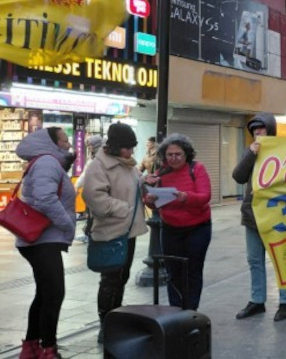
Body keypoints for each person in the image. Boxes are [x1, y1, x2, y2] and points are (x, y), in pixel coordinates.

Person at [82, 123, 148, 343]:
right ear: (116, 146)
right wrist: (124, 209)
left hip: (127, 232)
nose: (130, 152)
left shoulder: (127, 165)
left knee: (121, 277)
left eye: (132, 147)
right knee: (110, 280)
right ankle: (106, 325)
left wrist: (145, 181)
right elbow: (94, 197)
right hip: (111, 231)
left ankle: (115, 320)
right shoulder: (99, 166)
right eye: (127, 147)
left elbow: (131, 185)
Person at [14, 127, 77, 359]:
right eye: (64, 140)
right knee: (54, 293)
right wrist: (67, 225)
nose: (68, 144)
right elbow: (45, 199)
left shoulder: (48, 162)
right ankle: (47, 349)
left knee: (45, 293)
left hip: (41, 239)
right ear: (52, 143)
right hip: (42, 240)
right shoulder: (47, 162)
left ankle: (31, 347)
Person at [233, 113, 286, 322]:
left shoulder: (284, 150)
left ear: (271, 130)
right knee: (254, 260)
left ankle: (285, 302)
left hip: (278, 215)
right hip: (253, 215)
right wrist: (251, 154)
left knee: (282, 259)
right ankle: (257, 300)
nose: (258, 132)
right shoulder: (250, 151)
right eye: (254, 130)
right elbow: (238, 176)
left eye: (262, 128)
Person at [143, 134, 212, 310]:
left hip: (197, 228)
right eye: (170, 154)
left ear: (186, 154)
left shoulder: (197, 168)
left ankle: (190, 310)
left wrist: (185, 197)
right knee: (172, 272)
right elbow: (152, 202)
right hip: (170, 228)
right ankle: (175, 309)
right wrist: (149, 199)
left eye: (178, 154)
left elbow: (205, 196)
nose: (174, 158)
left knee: (192, 270)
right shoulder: (161, 173)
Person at [74, 135, 104, 243]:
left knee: (94, 213)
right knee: (91, 213)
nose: (89, 147)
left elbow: (86, 173)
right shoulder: (95, 156)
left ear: (96, 145)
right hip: (94, 188)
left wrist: (77, 185)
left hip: (97, 189)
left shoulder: (99, 157)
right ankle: (89, 233)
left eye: (90, 145)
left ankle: (90, 234)